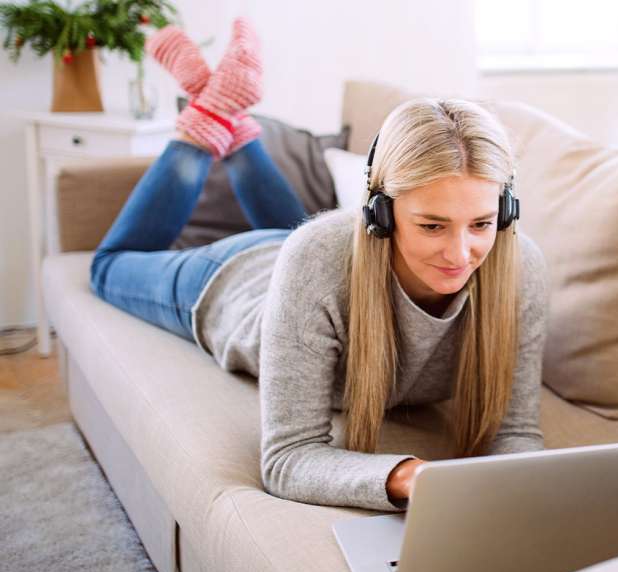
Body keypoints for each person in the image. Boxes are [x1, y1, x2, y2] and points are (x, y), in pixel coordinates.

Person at [89, 19, 548, 512]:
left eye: (480, 224)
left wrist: (519, 495)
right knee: (107, 266)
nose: (461, 256)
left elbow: (516, 432)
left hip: (306, 261)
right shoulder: (316, 259)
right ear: (382, 214)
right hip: (233, 280)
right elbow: (288, 458)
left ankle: (227, 112)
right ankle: (203, 120)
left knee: (307, 244)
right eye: (433, 226)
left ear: (505, 214)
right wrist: (405, 476)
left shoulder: (518, 266)